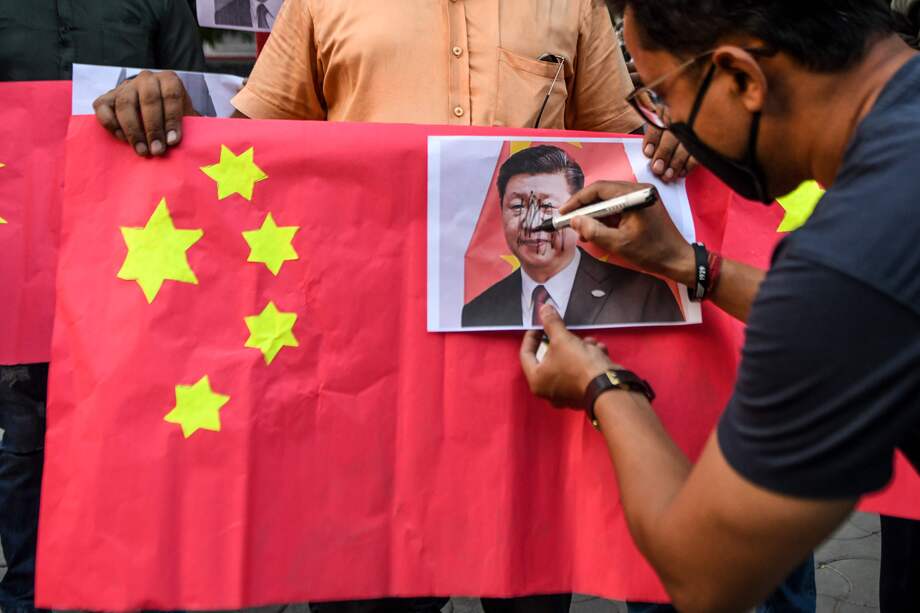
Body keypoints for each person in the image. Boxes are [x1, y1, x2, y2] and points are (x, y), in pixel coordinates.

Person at [95, 2, 695, 612]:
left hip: (524, 377)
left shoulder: (569, 4)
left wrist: (673, 142)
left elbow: (620, 151)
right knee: (367, 590)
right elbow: (246, 151)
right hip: (367, 374)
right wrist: (163, 103)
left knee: (530, 586)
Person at [518, 2, 920, 613]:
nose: (667, 128)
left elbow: (708, 572)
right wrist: (694, 266)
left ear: (742, 79)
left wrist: (602, 384)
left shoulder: (851, 256)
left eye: (662, 99)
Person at [0, 4, 205, 613]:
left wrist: (167, 96)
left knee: (141, 441)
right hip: (20, 274)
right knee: (26, 449)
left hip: (140, 263)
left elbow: (205, 113)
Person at [462, 145, 682, 328]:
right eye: (518, 206)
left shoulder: (645, 296)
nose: (532, 223)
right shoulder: (477, 311)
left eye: (548, 205)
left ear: (580, 207)